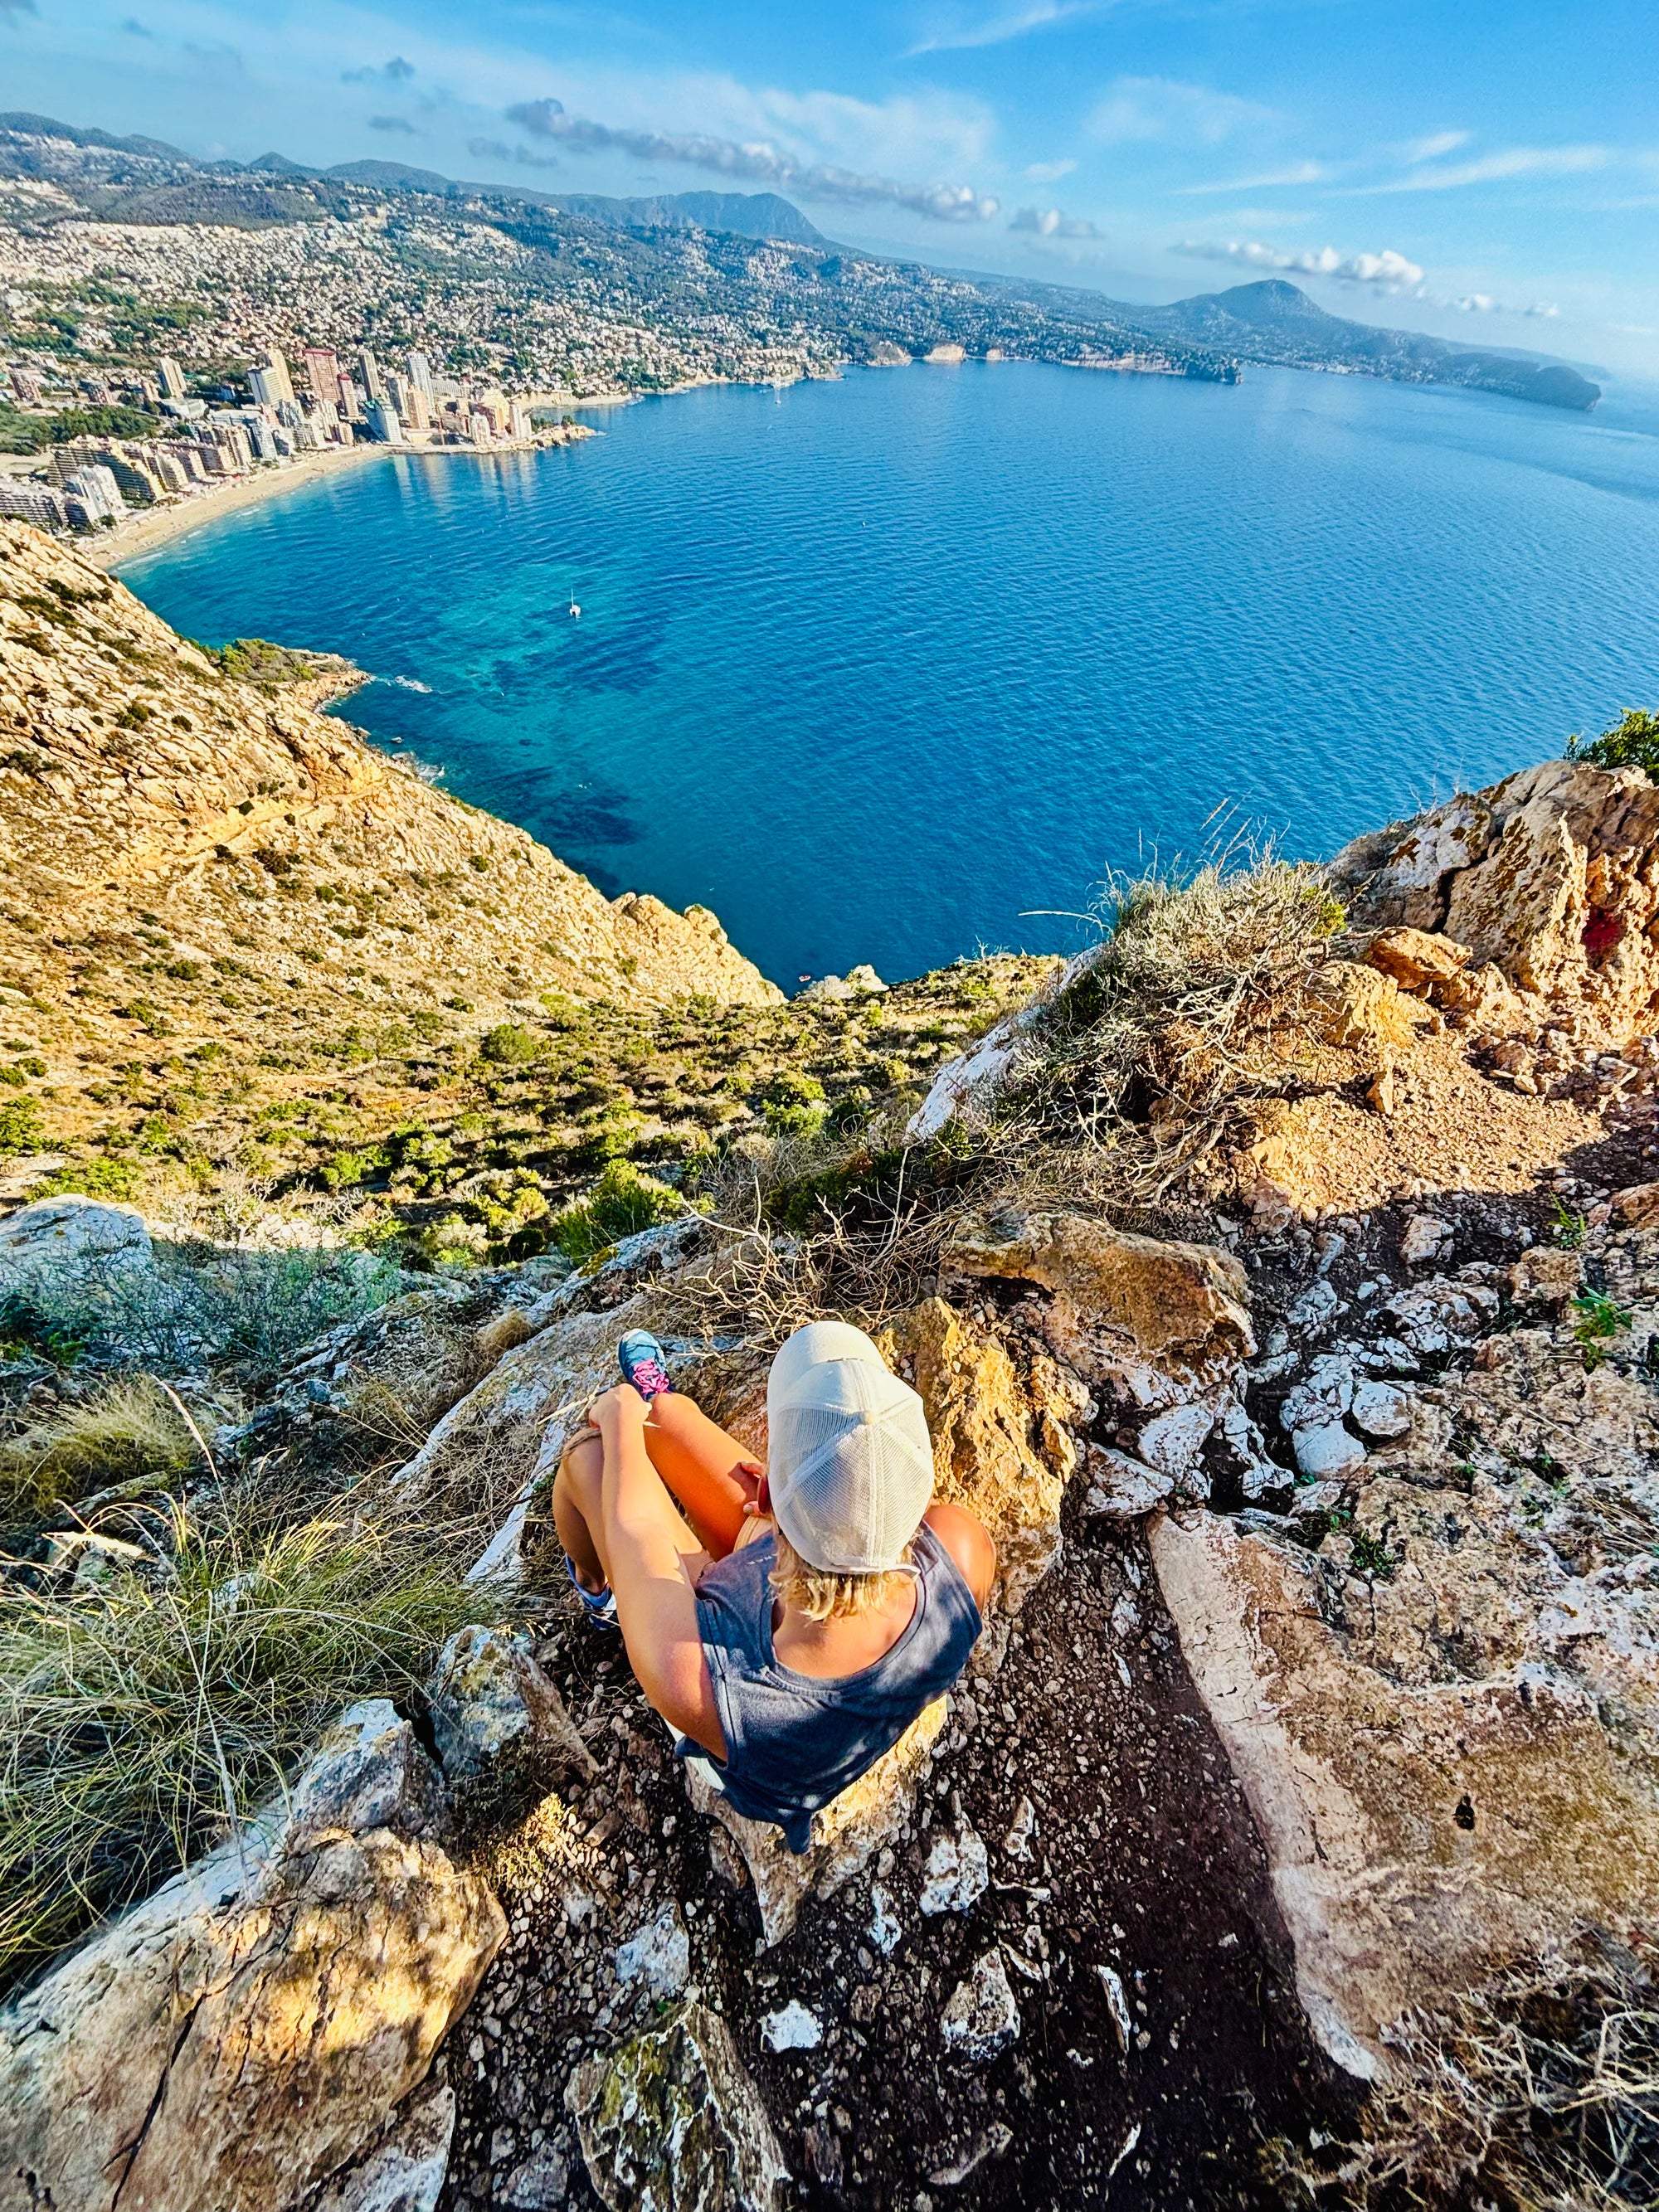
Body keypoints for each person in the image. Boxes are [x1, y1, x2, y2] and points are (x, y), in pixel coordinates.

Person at [552, 1320, 996, 1852]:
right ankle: (656, 1404)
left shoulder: (689, 1677)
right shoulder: (964, 1548)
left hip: (730, 1683)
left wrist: (618, 1423)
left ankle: (597, 1588)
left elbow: (637, 1529)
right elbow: (866, 1527)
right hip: (805, 1588)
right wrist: (810, 1504)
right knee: (666, 1418)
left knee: (590, 1457)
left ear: (764, 1500)